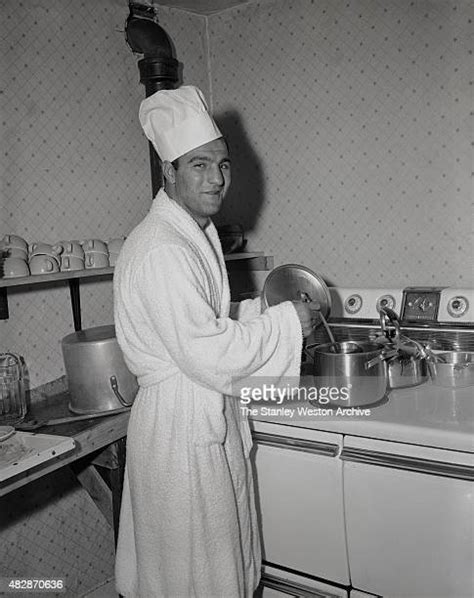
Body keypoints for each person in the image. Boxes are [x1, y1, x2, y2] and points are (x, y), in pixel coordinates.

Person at [113, 85, 317, 598]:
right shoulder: (162, 248)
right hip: (180, 428)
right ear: (170, 172)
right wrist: (288, 324)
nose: (217, 178)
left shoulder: (187, 232)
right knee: (193, 573)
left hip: (194, 410)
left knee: (208, 563)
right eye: (200, 165)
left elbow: (203, 322)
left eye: (222, 165)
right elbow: (205, 350)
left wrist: (263, 313)